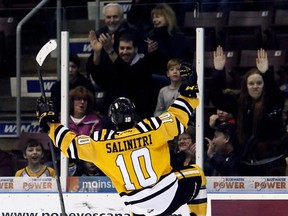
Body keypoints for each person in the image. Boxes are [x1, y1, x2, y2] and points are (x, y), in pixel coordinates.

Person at [36, 62, 207, 215]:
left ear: (113, 120)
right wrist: (188, 93)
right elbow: (178, 116)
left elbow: (70, 144)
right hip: (165, 196)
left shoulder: (102, 142)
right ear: (134, 116)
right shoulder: (152, 128)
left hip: (136, 204)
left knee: (136, 200)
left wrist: (50, 124)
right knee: (197, 175)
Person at [211, 45, 288, 176]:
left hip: (273, 161)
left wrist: (266, 73)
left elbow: (275, 96)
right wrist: (218, 71)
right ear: (246, 86)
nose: (255, 86)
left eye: (259, 83)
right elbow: (217, 99)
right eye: (251, 84)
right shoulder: (240, 103)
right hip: (246, 160)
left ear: (264, 85)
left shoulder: (272, 101)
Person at [88, 31, 156, 119]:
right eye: (122, 48)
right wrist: (97, 52)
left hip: (137, 115)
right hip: (112, 114)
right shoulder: (114, 63)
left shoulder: (143, 65)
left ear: (136, 49)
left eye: (128, 48)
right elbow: (99, 79)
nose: (125, 52)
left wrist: (110, 50)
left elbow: (127, 74)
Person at [145, 3, 189, 76]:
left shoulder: (178, 38)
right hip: (153, 74)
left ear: (167, 17)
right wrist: (149, 52)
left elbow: (177, 60)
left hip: (172, 75)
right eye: (153, 17)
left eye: (157, 17)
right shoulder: (150, 37)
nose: (154, 20)